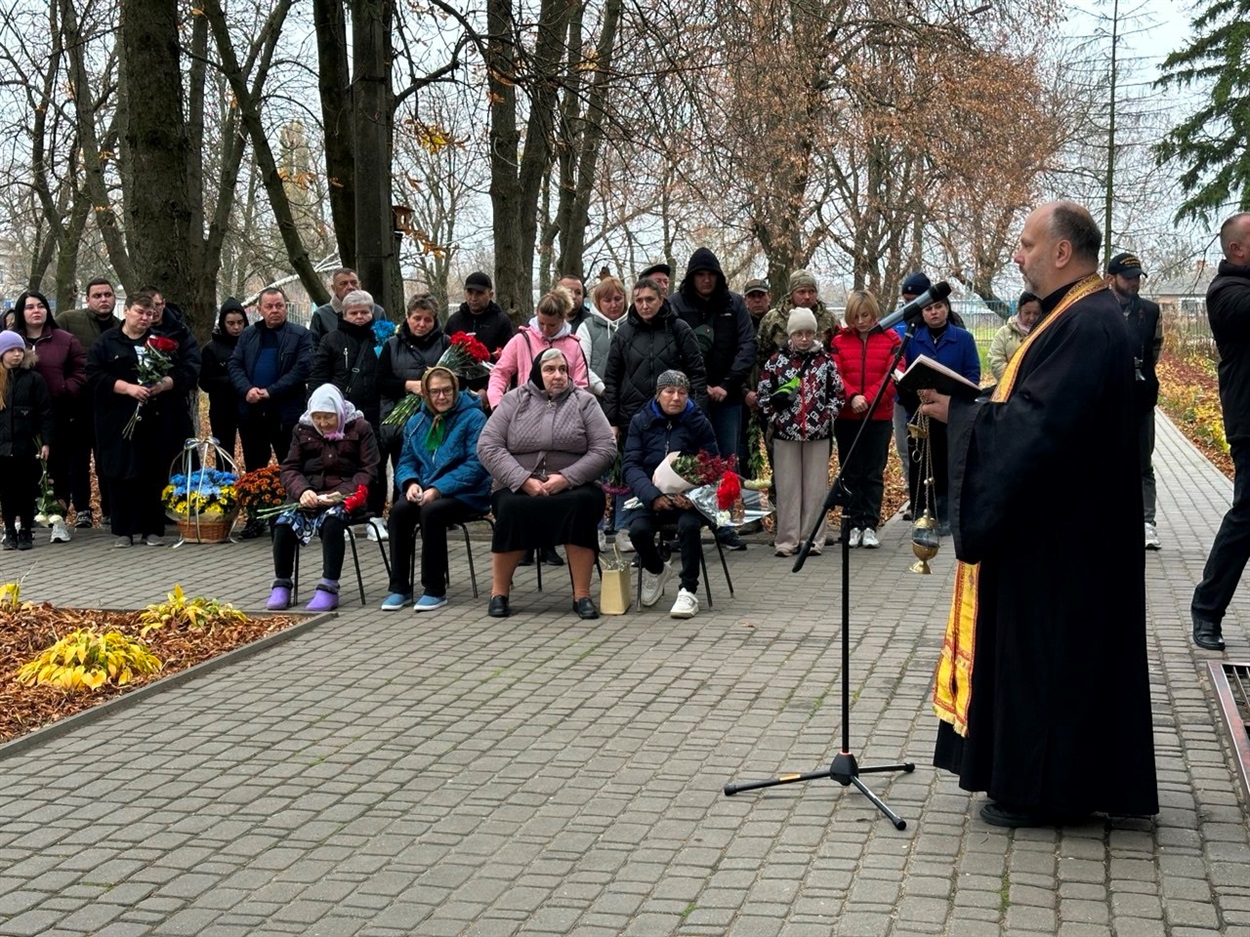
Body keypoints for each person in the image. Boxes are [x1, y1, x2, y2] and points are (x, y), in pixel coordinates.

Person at [919, 199, 1157, 828]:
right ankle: (1048, 783)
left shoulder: (1086, 322)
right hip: (1064, 529)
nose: (1018, 255)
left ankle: (1047, 792)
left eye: (1026, 244)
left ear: (1061, 251)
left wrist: (963, 416)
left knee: (1051, 660)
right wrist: (976, 406)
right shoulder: (1077, 313)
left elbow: (1042, 427)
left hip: (1064, 540)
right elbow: (1033, 404)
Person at [476, 349, 616, 620]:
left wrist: (567, 478)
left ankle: (582, 595)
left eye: (563, 369)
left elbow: (605, 449)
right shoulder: (513, 400)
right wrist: (522, 480)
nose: (558, 375)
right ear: (537, 373)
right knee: (512, 508)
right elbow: (488, 445)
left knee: (583, 504)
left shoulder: (584, 401)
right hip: (518, 484)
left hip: (573, 485)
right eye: (550, 369)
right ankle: (499, 593)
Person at [381, 366, 491, 611]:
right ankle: (399, 588)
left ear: (456, 389)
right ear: (426, 393)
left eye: (447, 390)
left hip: (466, 493)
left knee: (431, 512)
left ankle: (434, 589)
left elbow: (476, 464)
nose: (441, 397)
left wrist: (438, 488)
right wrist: (410, 483)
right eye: (435, 392)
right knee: (399, 511)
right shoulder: (416, 421)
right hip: (426, 488)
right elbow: (406, 460)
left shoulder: (474, 418)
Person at [85, 293, 190, 547]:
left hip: (155, 418)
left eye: (150, 314)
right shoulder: (107, 342)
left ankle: (152, 529)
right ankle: (124, 530)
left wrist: (165, 384)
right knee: (122, 471)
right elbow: (94, 374)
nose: (145, 318)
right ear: (127, 311)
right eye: (140, 312)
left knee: (153, 471)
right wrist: (127, 388)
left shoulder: (160, 342)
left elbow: (182, 372)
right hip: (117, 418)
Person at [265, 384, 380, 613]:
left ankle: (329, 586)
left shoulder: (360, 427)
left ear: (339, 412)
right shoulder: (302, 429)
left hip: (346, 497)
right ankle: (282, 583)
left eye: (328, 417)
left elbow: (369, 470)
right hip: (309, 495)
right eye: (318, 417)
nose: (323, 423)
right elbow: (289, 468)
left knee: (332, 522)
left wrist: (342, 493)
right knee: (284, 523)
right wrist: (303, 491)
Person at [1192, 212, 1250, 651]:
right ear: (1237, 250)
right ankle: (1207, 609)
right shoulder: (1225, 292)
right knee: (1246, 517)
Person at [668, 248, 756, 524]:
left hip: (728, 397)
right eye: (700, 275)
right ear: (691, 277)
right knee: (689, 461)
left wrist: (727, 385)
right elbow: (671, 350)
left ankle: (725, 523)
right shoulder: (675, 304)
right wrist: (699, 387)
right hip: (689, 399)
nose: (706, 280)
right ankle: (687, 523)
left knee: (727, 461)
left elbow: (747, 346)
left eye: (711, 275)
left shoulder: (735, 304)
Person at [621, 370, 719, 618]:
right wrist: (652, 496)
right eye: (669, 391)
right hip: (650, 497)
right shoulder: (641, 421)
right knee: (638, 531)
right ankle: (657, 570)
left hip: (688, 500)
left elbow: (713, 466)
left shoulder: (698, 422)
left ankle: (688, 590)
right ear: (658, 394)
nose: (676, 397)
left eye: (682, 392)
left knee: (688, 526)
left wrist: (693, 497)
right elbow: (631, 466)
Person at [758, 307, 845, 556]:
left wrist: (827, 416)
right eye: (799, 334)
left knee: (816, 490)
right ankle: (787, 540)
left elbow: (838, 393)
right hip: (785, 435)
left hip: (818, 435)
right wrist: (776, 418)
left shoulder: (826, 361)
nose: (804, 338)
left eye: (809, 333)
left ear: (815, 333)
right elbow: (763, 395)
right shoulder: (776, 362)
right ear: (791, 335)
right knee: (787, 489)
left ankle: (812, 539)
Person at [11, 290, 86, 544]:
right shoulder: (11, 340)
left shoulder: (65, 340)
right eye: (29, 307)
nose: (36, 311)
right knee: (21, 469)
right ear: (21, 312)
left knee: (57, 468)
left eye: (41, 306)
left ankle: (58, 520)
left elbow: (81, 370)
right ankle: (20, 521)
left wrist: (66, 389)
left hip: (57, 413)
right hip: (18, 417)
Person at [902, 291, 979, 535]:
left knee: (948, 464)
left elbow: (973, 375)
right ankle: (921, 516)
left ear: (947, 308)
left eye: (938, 306)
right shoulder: (912, 338)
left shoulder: (963, 338)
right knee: (920, 466)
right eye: (928, 309)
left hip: (950, 413)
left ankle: (946, 516)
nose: (934, 312)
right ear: (922, 314)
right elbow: (904, 373)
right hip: (921, 414)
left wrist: (956, 398)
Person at [830, 290, 900, 549]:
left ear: (874, 314)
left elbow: (894, 374)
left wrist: (868, 398)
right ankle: (852, 524)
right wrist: (851, 397)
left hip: (878, 417)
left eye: (866, 315)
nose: (861, 321)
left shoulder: (891, 339)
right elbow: (835, 374)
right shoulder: (839, 341)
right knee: (851, 472)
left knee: (873, 473)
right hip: (848, 417)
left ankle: (870, 524)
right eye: (856, 316)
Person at [310, 288, 388, 518]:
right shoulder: (331, 340)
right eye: (354, 313)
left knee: (374, 465)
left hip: (375, 413)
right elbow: (318, 377)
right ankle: (341, 513)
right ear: (344, 314)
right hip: (340, 416)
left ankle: (375, 514)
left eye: (364, 312)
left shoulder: (382, 339)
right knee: (341, 466)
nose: (359, 317)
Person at [1106, 252, 1164, 550]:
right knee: (1107, 461)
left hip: (1141, 399)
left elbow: (1155, 349)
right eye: (1128, 278)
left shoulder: (1150, 311)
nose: (1134, 283)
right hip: (1106, 401)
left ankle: (1146, 522)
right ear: (1111, 278)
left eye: (1137, 278)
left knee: (1143, 462)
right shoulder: (1099, 309)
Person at [227, 286, 316, 473]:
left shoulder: (301, 335)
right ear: (260, 309)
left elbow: (302, 369)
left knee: (292, 467)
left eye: (279, 305)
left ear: (285, 307)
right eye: (269, 306)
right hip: (252, 413)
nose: (275, 310)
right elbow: (235, 364)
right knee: (254, 469)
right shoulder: (248, 334)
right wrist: (247, 389)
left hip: (286, 413)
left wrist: (271, 391)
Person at [603, 277, 708, 434]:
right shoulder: (623, 334)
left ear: (661, 299)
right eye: (639, 300)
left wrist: (697, 416)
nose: (644, 306)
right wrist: (612, 421)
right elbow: (612, 379)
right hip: (632, 418)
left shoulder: (679, 329)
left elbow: (697, 375)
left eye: (650, 299)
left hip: (675, 417)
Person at [57, 277, 117, 529]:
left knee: (108, 459)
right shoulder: (69, 320)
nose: (103, 300)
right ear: (87, 299)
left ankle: (110, 509)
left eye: (107, 295)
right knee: (77, 459)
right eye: (97, 295)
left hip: (110, 403)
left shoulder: (121, 326)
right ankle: (82, 508)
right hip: (77, 403)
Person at [377, 293, 450, 473]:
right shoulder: (392, 345)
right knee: (403, 472)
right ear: (407, 317)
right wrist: (409, 385)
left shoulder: (445, 344)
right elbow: (380, 382)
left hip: (435, 420)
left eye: (428, 320)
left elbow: (456, 381)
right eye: (417, 318)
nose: (421, 324)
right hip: (399, 421)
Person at [0, 331, 53, 551]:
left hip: (27, 446)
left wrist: (46, 441)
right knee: (6, 492)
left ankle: (26, 530)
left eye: (19, 350)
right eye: (11, 350)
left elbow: (45, 412)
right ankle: (9, 530)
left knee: (26, 490)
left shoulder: (34, 379)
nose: (16, 354)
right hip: (3, 447)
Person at [445, 272, 515, 391]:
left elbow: (508, 360)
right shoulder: (454, 321)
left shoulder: (501, 321)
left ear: (490, 294)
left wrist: (488, 390)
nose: (473, 298)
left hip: (490, 388)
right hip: (456, 390)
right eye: (470, 292)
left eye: (479, 293)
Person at [755, 270, 837, 368]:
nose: (807, 296)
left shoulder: (829, 319)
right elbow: (761, 354)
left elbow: (837, 353)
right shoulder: (773, 319)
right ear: (791, 293)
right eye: (801, 292)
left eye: (811, 291)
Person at [199, 298, 249, 457]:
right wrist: (233, 380)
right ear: (223, 323)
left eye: (240, 322)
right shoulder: (211, 348)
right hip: (222, 408)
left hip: (249, 407)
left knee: (254, 454)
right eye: (231, 323)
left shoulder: (251, 344)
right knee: (224, 455)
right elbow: (205, 382)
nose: (236, 327)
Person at [577, 276, 627, 400]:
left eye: (618, 299)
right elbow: (582, 366)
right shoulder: (586, 327)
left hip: (629, 399)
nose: (613, 304)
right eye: (607, 300)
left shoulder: (634, 325)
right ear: (598, 302)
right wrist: (603, 390)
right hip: (596, 399)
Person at [308, 268, 385, 343]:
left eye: (354, 283)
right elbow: (314, 347)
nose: (350, 287)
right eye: (343, 284)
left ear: (360, 285)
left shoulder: (377, 311)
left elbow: (385, 343)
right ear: (334, 288)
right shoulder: (322, 315)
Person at [987, 292, 1041, 381]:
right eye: (1027, 313)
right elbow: (996, 360)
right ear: (1019, 311)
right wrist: (1013, 380)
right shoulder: (1004, 333)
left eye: (1036, 313)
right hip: (1009, 384)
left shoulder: (1047, 332)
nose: (1031, 318)